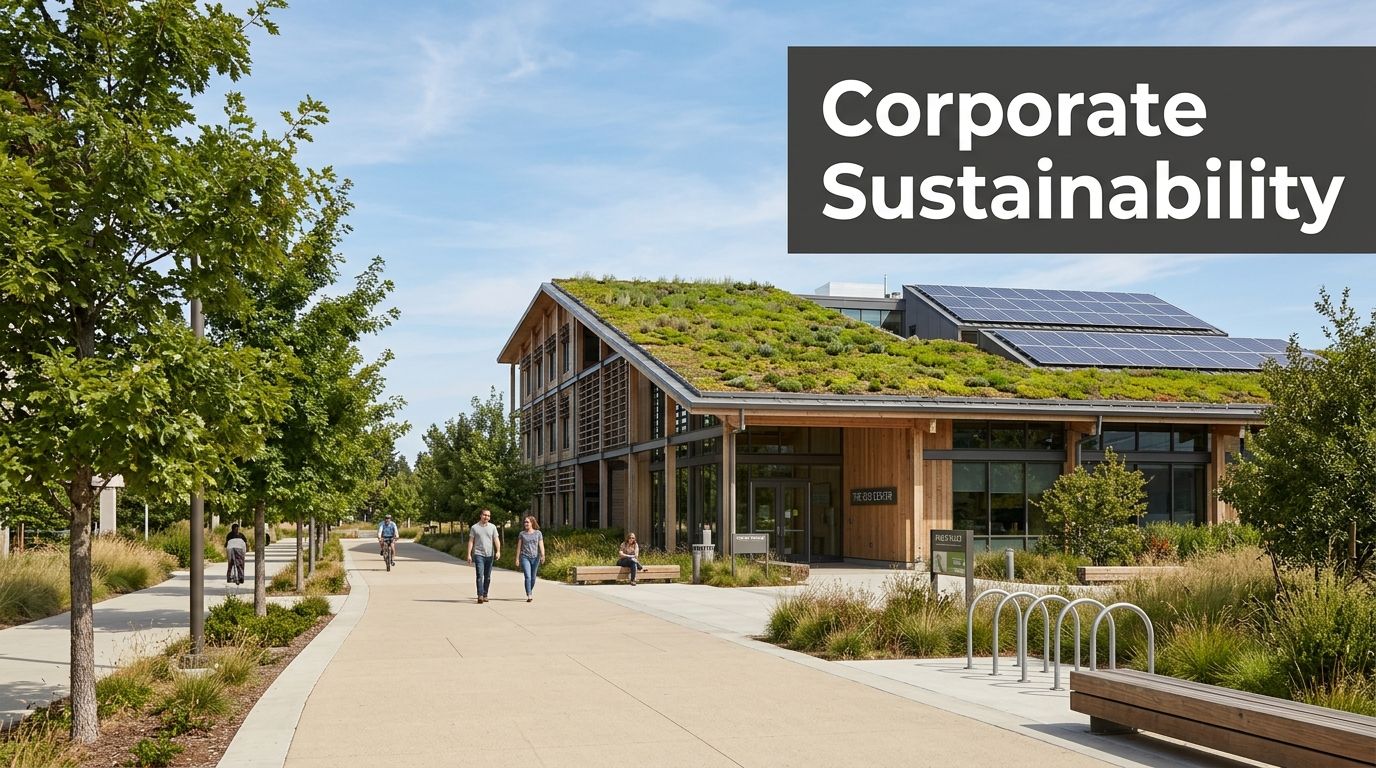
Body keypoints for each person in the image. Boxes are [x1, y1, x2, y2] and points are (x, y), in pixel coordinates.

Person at [466, 509, 500, 603]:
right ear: (481, 515)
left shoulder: (492, 527)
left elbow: (496, 540)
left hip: (490, 554)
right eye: (485, 515)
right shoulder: (474, 527)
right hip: (478, 554)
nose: (486, 517)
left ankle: (485, 594)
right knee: (480, 575)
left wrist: (498, 551)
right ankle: (480, 595)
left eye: (488, 516)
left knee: (487, 576)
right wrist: (469, 554)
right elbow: (471, 541)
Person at [517, 516, 545, 602]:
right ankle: (529, 594)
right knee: (528, 576)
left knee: (533, 578)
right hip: (525, 557)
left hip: (536, 557)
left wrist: (543, 555)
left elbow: (541, 545)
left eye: (527, 522)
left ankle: (529, 589)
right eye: (525, 522)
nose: (525, 523)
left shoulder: (538, 533)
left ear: (532, 523)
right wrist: (517, 558)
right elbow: (519, 547)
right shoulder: (522, 534)